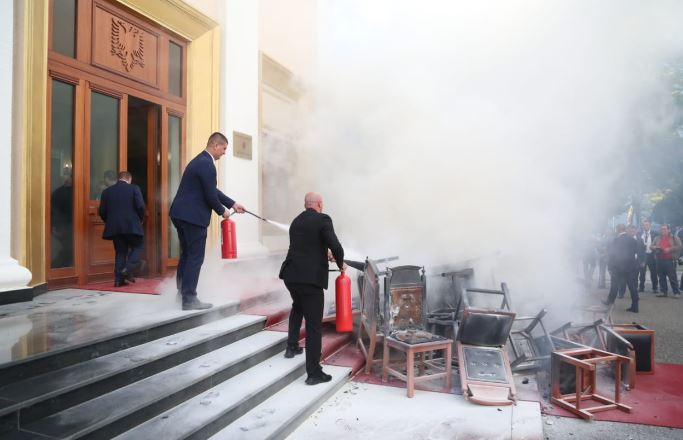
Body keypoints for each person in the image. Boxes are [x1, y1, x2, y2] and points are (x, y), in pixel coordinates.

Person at [169, 132, 245, 310]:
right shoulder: (207, 164)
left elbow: (212, 190)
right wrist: (222, 211)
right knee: (195, 257)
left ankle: (182, 294)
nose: (224, 153)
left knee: (187, 255)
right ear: (215, 145)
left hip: (181, 214)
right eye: (224, 148)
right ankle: (189, 299)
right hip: (192, 217)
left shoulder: (200, 161)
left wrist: (232, 203)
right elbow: (210, 195)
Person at [279, 192, 345, 385]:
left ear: (305, 204)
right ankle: (314, 373)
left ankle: (291, 347)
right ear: (320, 204)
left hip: (291, 275)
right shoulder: (323, 219)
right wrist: (340, 263)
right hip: (310, 280)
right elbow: (336, 246)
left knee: (297, 307)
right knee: (314, 325)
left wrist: (325, 254)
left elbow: (306, 246)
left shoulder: (296, 221)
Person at [98, 171, 145, 287]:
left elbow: (102, 211)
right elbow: (140, 206)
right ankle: (128, 269)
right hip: (131, 225)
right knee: (138, 246)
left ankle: (118, 281)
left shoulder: (106, 192)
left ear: (118, 179)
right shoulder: (134, 188)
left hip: (114, 227)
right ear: (129, 179)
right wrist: (140, 218)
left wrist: (109, 221)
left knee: (120, 252)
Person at [603, 224, 639, 312]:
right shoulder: (632, 239)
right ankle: (635, 306)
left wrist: (610, 266)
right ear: (625, 229)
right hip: (629, 267)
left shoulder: (616, 240)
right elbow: (637, 251)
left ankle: (610, 301)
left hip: (617, 266)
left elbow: (612, 254)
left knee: (614, 285)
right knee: (632, 286)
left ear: (617, 230)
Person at [652, 224, 681, 298]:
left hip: (669, 260)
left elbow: (679, 246)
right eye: (662, 229)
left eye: (665, 229)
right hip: (659, 259)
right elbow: (651, 246)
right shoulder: (657, 238)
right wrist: (656, 247)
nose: (663, 230)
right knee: (661, 277)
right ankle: (663, 292)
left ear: (669, 230)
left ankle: (676, 292)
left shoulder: (674, 238)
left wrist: (669, 249)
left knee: (672, 277)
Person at [638, 221, 658, 293]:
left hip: (652, 255)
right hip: (643, 255)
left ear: (650, 226)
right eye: (644, 225)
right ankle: (641, 287)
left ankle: (655, 288)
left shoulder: (655, 234)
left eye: (647, 225)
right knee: (642, 273)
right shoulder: (639, 234)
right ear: (642, 226)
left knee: (654, 272)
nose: (645, 226)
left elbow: (657, 243)